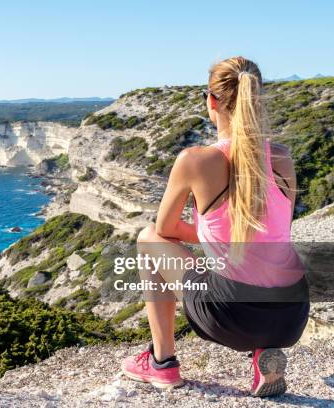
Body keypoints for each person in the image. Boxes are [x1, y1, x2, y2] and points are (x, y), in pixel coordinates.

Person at [121, 56, 309, 397]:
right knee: (253, 267)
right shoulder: (282, 157)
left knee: (148, 239)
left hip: (231, 317)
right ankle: (262, 353)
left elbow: (166, 229)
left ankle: (162, 362)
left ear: (211, 101)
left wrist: (211, 240)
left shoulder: (195, 160)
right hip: (292, 315)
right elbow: (274, 234)